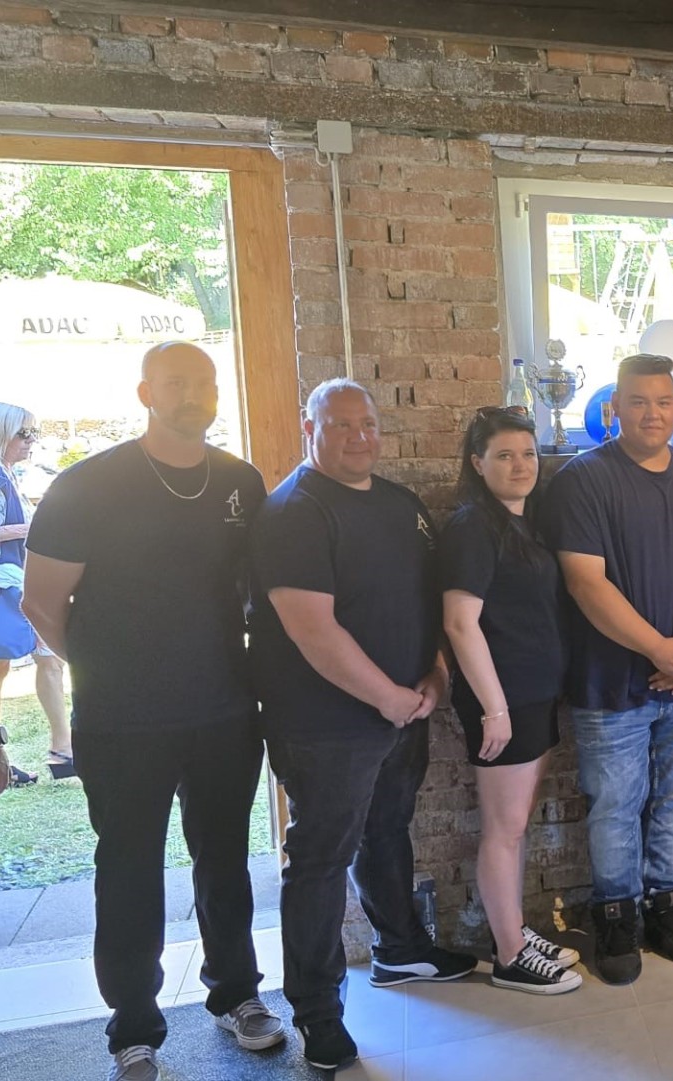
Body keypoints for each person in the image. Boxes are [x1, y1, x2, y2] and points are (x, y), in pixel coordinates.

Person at [20, 344, 277, 1081]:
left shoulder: (239, 481)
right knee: (128, 871)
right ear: (145, 392)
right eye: (175, 383)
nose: (191, 394)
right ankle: (134, 1029)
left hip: (225, 709)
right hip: (123, 719)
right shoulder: (87, 485)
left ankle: (238, 997)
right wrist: (107, 670)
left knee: (224, 859)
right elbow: (41, 600)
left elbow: (255, 590)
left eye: (202, 382)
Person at [250, 378, 472, 1071]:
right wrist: (386, 696)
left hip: (406, 707)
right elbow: (312, 630)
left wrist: (435, 672)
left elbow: (424, 597)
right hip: (326, 725)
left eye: (368, 423)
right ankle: (318, 1012)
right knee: (319, 862)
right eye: (341, 424)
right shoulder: (293, 511)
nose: (359, 436)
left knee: (388, 831)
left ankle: (401, 949)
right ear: (308, 426)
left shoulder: (400, 503)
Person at [545, 354, 673, 985]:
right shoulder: (582, 480)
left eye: (664, 402)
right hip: (610, 682)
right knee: (616, 805)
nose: (654, 414)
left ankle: (666, 904)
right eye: (639, 402)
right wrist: (660, 650)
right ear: (613, 408)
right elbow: (584, 583)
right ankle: (615, 913)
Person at [438, 407, 581, 994]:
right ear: (478, 463)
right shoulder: (473, 525)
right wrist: (493, 708)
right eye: (504, 455)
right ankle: (508, 956)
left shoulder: (522, 521)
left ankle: (515, 933)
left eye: (527, 453)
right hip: (503, 703)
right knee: (503, 828)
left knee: (515, 827)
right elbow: (459, 623)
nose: (520, 465)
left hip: (532, 695)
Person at [0, 402, 68, 784]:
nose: (32, 441)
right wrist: (29, 529)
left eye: (34, 432)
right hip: (3, 584)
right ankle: (59, 751)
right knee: (41, 654)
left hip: (6, 582)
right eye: (24, 433)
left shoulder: (0, 473)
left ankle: (52, 750)